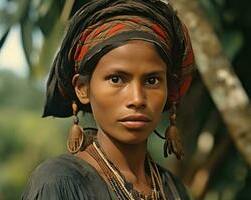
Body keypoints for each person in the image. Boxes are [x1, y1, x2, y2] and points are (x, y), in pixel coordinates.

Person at [22, 0, 195, 199]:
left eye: (152, 80)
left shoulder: (174, 189)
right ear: (82, 89)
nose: (137, 99)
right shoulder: (59, 182)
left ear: (170, 88)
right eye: (116, 79)